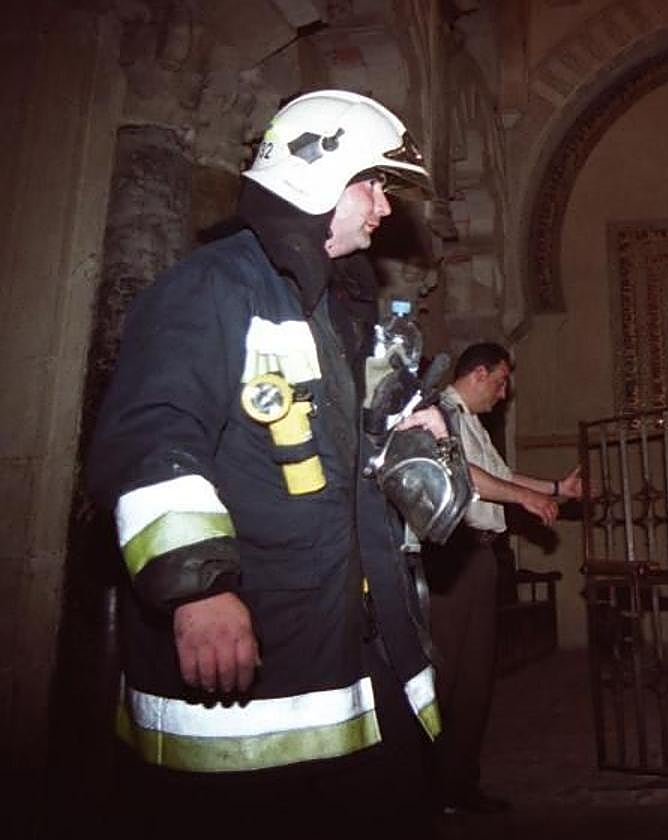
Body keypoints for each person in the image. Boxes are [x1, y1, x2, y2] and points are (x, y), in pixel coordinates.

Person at [87, 90, 456, 837]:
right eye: (371, 184)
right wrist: (200, 591)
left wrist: (409, 428)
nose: (383, 207)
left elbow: (342, 441)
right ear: (313, 173)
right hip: (254, 642)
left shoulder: (333, 308)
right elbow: (152, 439)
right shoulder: (213, 288)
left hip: (347, 631)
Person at [425, 342, 583, 815]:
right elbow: (463, 476)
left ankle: (459, 787)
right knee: (445, 679)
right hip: (450, 559)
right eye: (499, 382)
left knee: (474, 681)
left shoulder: (471, 422)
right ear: (476, 374)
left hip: (480, 558)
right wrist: (523, 500)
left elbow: (499, 474)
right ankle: (426, 791)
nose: (503, 394)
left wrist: (556, 489)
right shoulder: (435, 414)